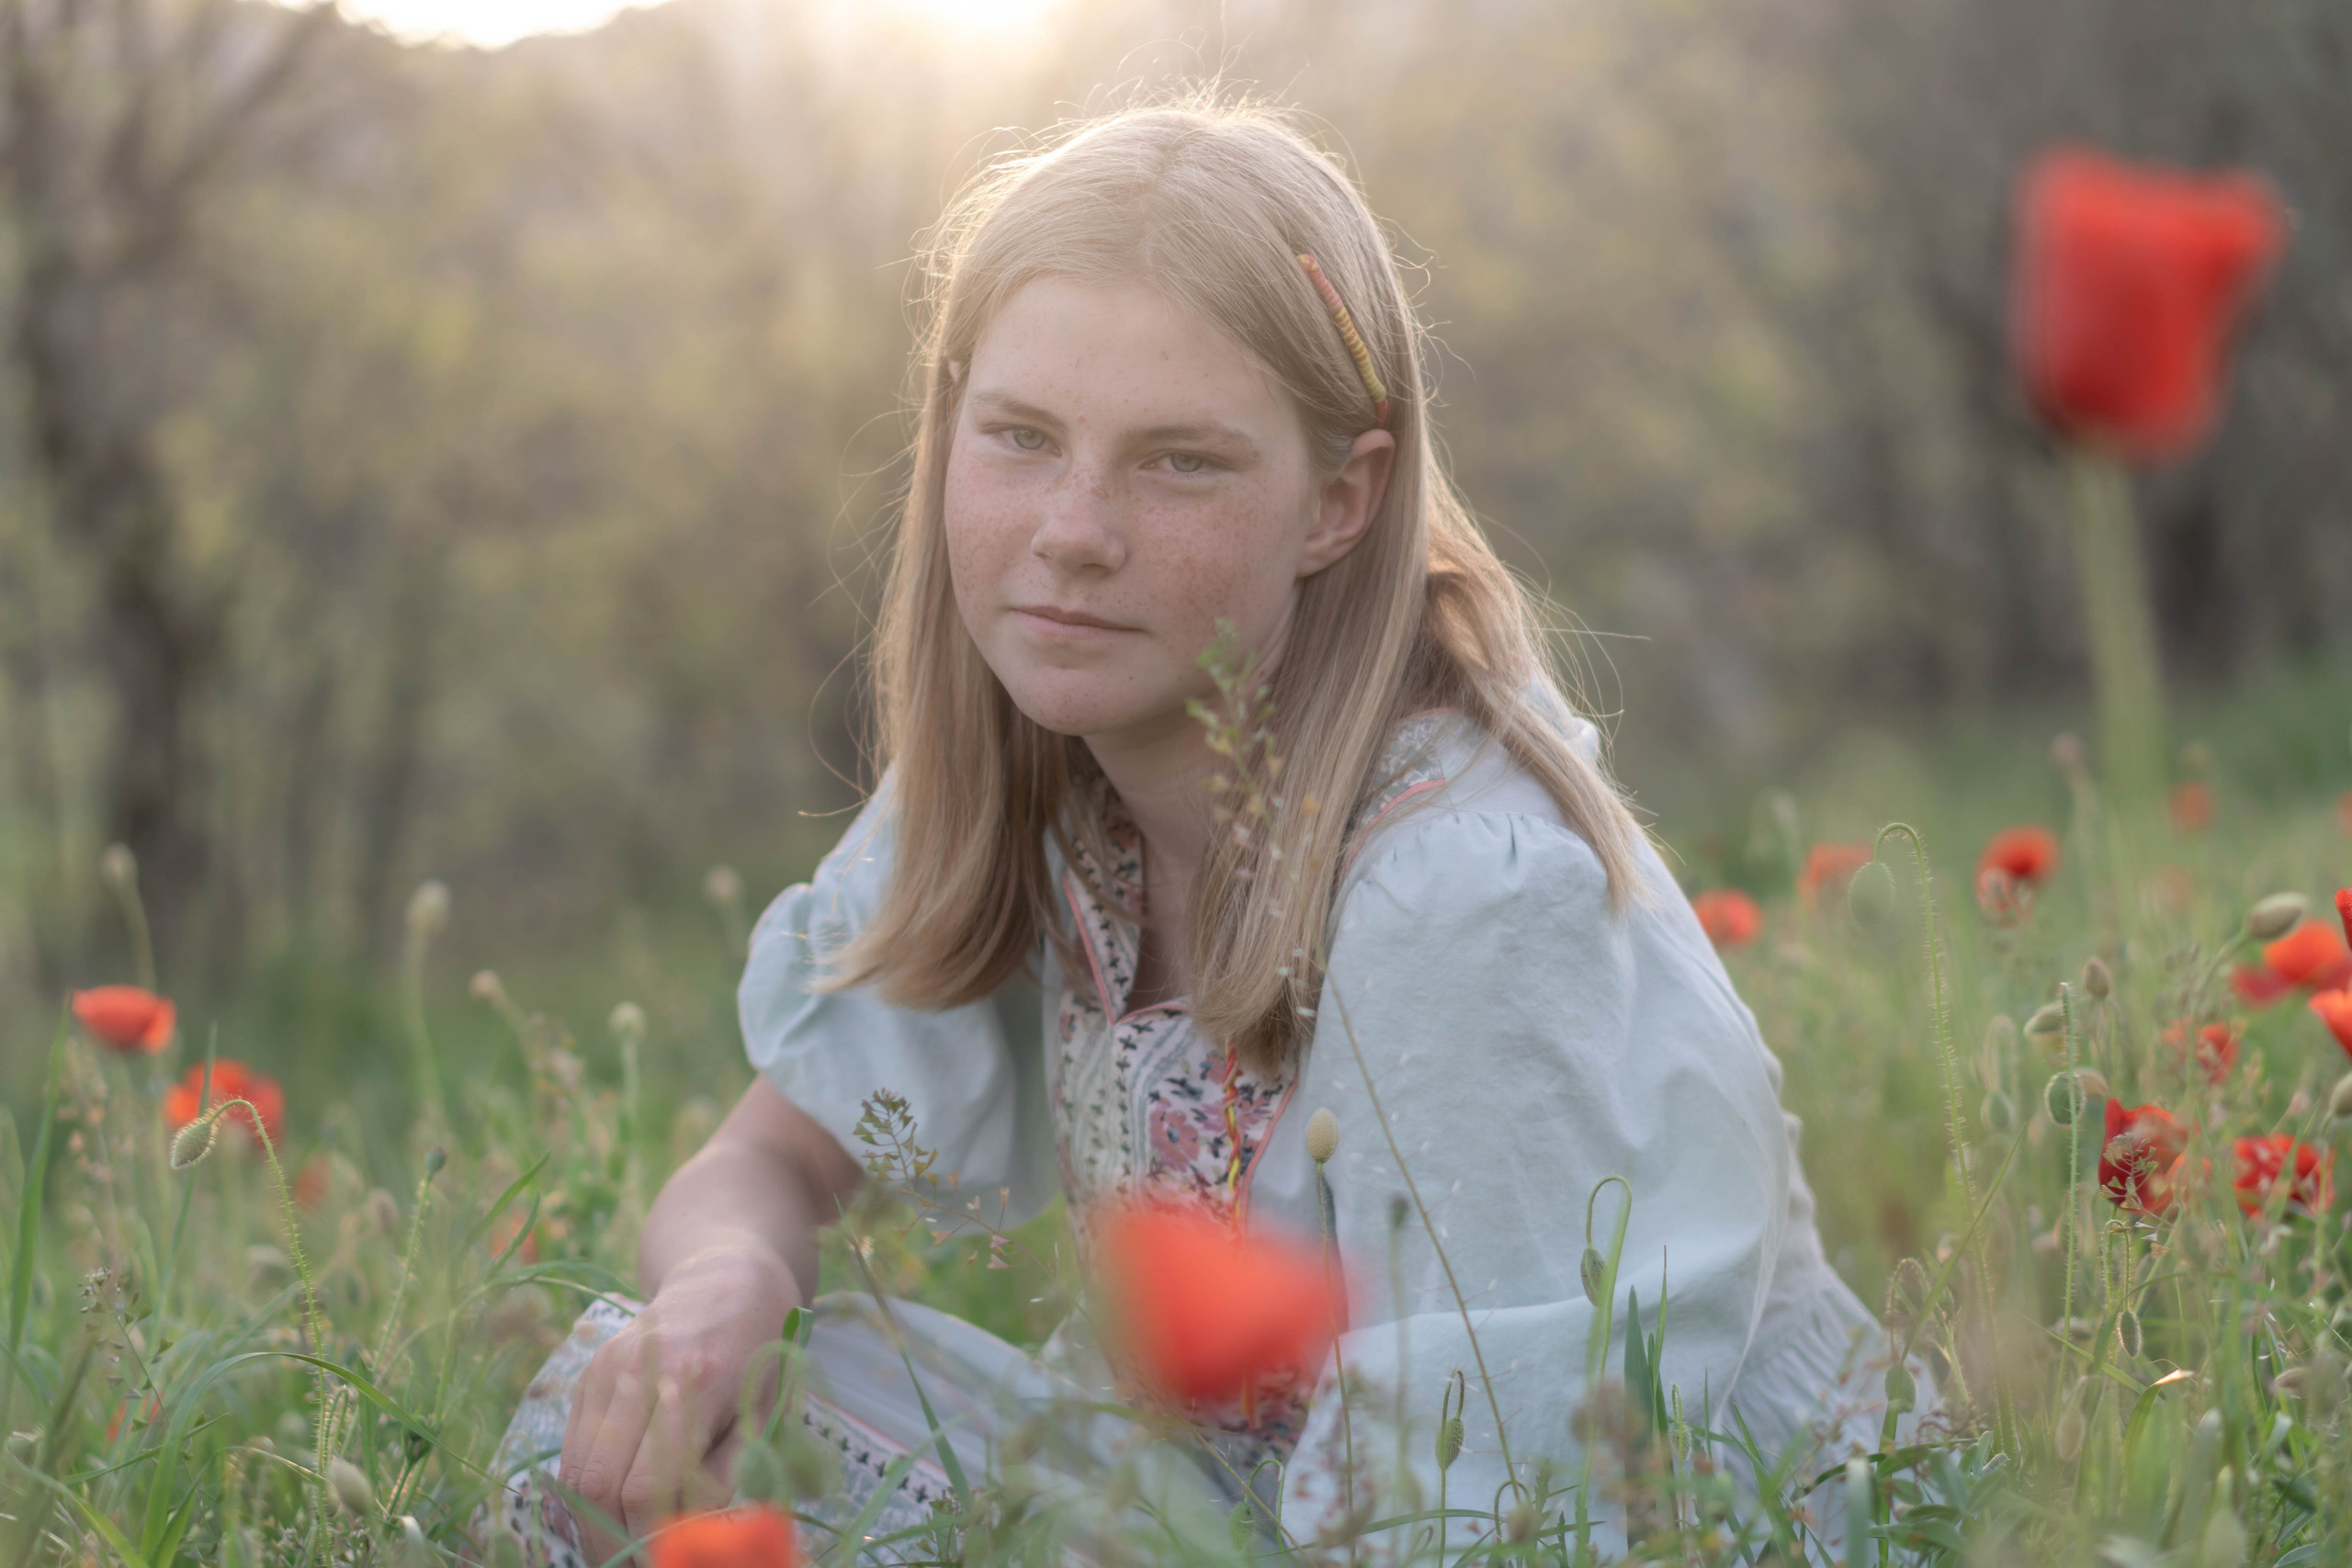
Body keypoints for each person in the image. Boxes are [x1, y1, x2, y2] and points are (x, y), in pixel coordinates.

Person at [481, 97, 1912, 1567]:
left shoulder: (1454, 898)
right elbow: (766, 1162)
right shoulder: (1047, 771)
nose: (1075, 529)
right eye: (1022, 437)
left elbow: (1509, 1513)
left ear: (1339, 501)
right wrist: (726, 1283)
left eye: (1180, 462)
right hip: (1245, 1512)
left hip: (1608, 1524)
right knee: (633, 1422)